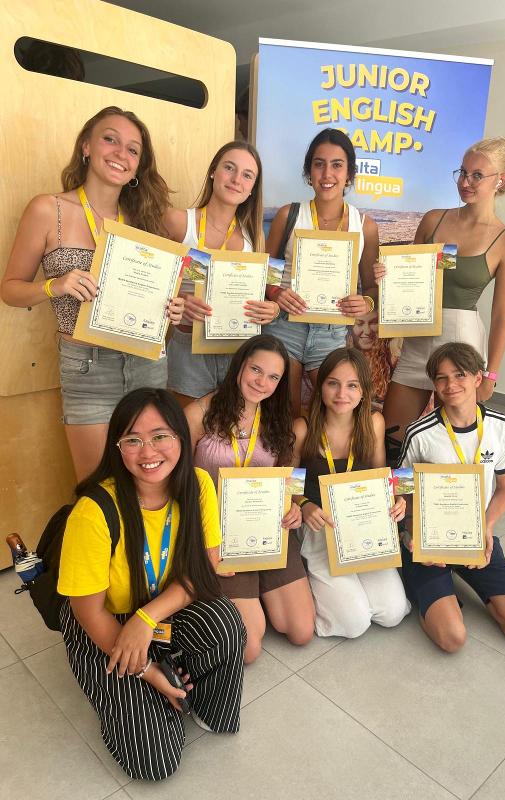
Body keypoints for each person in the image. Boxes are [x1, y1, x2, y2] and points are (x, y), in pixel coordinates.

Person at [57, 388, 246, 780]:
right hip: (104, 621)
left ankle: (187, 693)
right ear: (118, 447)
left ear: (181, 438)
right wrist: (146, 671)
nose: (148, 452)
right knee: (155, 762)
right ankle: (150, 684)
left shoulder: (197, 485)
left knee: (227, 622)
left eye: (160, 436)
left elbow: (204, 568)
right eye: (133, 440)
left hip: (161, 606)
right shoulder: (93, 512)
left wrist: (146, 619)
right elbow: (87, 611)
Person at [0, 106, 184, 481]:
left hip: (147, 364)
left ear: (138, 165)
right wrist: (55, 285)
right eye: (110, 139)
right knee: (97, 489)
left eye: (133, 149)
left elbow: (158, 297)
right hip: (87, 367)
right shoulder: (48, 209)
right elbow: (10, 289)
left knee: (150, 485)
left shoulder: (146, 220)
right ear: (86, 146)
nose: (120, 153)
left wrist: (171, 310)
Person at [399, 342, 505, 653]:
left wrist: (486, 527)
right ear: (434, 384)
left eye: (459, 374)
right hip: (428, 540)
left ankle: (464, 579)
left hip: (476, 536)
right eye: (441, 377)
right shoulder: (420, 433)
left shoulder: (502, 428)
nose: (450, 384)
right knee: (452, 639)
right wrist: (411, 534)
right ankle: (427, 588)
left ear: (478, 378)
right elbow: (402, 490)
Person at [382, 137, 505, 442]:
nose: (465, 182)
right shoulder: (434, 219)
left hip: (462, 347)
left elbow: (502, 317)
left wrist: (491, 375)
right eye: (462, 172)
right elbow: (409, 280)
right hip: (418, 340)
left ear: (501, 180)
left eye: (477, 175)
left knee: (451, 444)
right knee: (391, 437)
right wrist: (387, 277)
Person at [185, 334, 315, 662]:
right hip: (219, 535)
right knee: (248, 650)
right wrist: (200, 539)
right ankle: (241, 598)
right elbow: (177, 478)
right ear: (240, 365)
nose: (262, 382)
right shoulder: (199, 412)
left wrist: (294, 505)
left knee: (301, 631)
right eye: (256, 370)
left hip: (268, 530)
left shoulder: (277, 418)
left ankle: (257, 593)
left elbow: (289, 475)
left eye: (273, 377)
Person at [292, 347, 411, 638]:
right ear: (320, 386)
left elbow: (381, 472)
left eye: (352, 385)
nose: (341, 394)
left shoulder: (374, 422)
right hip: (321, 526)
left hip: (361, 526)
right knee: (354, 623)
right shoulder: (303, 427)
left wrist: (399, 497)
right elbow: (287, 482)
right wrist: (304, 504)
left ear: (364, 391)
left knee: (393, 613)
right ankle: (308, 574)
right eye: (333, 383)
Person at [265, 128, 379, 416]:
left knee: (339, 415)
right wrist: (276, 293)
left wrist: (365, 303)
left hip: (332, 332)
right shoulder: (288, 215)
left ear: (349, 174)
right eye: (319, 164)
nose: (327, 174)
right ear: (309, 172)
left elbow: (372, 289)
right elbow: (264, 275)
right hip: (286, 325)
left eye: (337, 165)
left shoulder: (365, 226)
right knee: (285, 416)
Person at [165, 141, 279, 406]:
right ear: (213, 171)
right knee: (188, 427)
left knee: (231, 430)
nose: (237, 179)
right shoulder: (178, 222)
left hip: (238, 350)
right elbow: (150, 282)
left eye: (247, 175)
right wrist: (180, 299)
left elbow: (266, 292)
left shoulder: (255, 237)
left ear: (252, 189)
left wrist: (272, 309)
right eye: (229, 168)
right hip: (188, 348)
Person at [348, 305, 399, 408]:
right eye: (359, 323)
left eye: (374, 322)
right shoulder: (341, 360)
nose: (367, 331)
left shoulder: (392, 358)